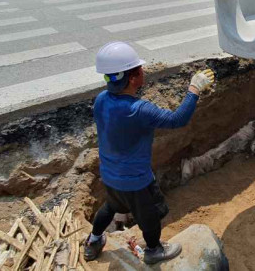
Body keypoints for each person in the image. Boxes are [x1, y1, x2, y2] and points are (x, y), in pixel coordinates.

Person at [84, 41, 215, 265]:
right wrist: (194, 89)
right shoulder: (139, 110)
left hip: (110, 174)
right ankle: (154, 250)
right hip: (136, 181)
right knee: (150, 215)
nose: (144, 72)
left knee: (111, 206)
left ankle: (94, 240)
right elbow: (177, 120)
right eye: (140, 69)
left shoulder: (101, 100)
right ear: (133, 78)